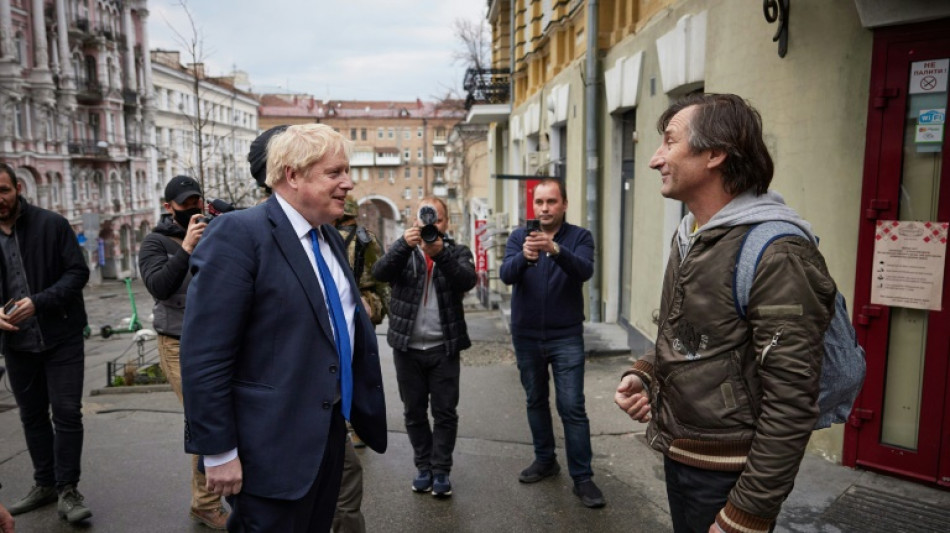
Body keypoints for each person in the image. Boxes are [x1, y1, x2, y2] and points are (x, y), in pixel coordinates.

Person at [614, 93, 836, 533]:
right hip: (685, 455)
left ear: (715, 153)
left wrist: (747, 513)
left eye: (669, 141)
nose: (655, 159)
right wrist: (645, 372)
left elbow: (792, 403)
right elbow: (697, 338)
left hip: (728, 477)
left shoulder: (777, 253)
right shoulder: (694, 234)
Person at [180, 123, 387, 532]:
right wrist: (218, 451)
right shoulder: (239, 234)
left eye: (347, 171)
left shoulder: (327, 236)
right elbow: (205, 355)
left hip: (327, 436)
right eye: (334, 173)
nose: (348, 183)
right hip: (270, 449)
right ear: (292, 175)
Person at [499, 178, 604, 509]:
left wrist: (554, 249)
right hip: (526, 334)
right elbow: (506, 275)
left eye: (551, 202)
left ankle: (583, 477)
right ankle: (545, 460)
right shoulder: (519, 236)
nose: (544, 208)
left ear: (564, 204)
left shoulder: (580, 237)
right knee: (535, 400)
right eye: (539, 202)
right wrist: (526, 256)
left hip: (566, 335)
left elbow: (584, 271)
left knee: (572, 406)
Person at [0, 162, 91, 524]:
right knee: (32, 415)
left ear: (17, 187)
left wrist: (39, 301)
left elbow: (78, 272)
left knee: (67, 413)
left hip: (61, 336)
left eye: (3, 190)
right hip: (16, 342)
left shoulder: (51, 224)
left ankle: (68, 489)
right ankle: (45, 485)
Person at [138, 175, 228, 530]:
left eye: (196, 202)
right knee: (205, 414)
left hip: (217, 340)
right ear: (168, 207)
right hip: (177, 342)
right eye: (184, 204)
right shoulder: (154, 243)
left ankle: (217, 491)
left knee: (221, 412)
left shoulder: (214, 232)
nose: (192, 209)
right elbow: (158, 286)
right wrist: (187, 247)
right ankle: (205, 504)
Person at [372, 197, 476, 498]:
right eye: (425, 218)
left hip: (444, 348)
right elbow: (379, 273)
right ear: (414, 220)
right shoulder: (403, 250)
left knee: (445, 413)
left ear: (446, 223)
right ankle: (423, 467)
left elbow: (466, 280)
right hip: (407, 348)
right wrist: (404, 246)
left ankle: (441, 470)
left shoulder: (456, 251)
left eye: (438, 219)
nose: (431, 225)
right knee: (414, 412)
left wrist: (440, 254)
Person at [330, 195, 388, 533]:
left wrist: (368, 307)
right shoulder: (291, 236)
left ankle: (355, 424)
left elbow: (381, 290)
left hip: (349, 339)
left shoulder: (363, 240)